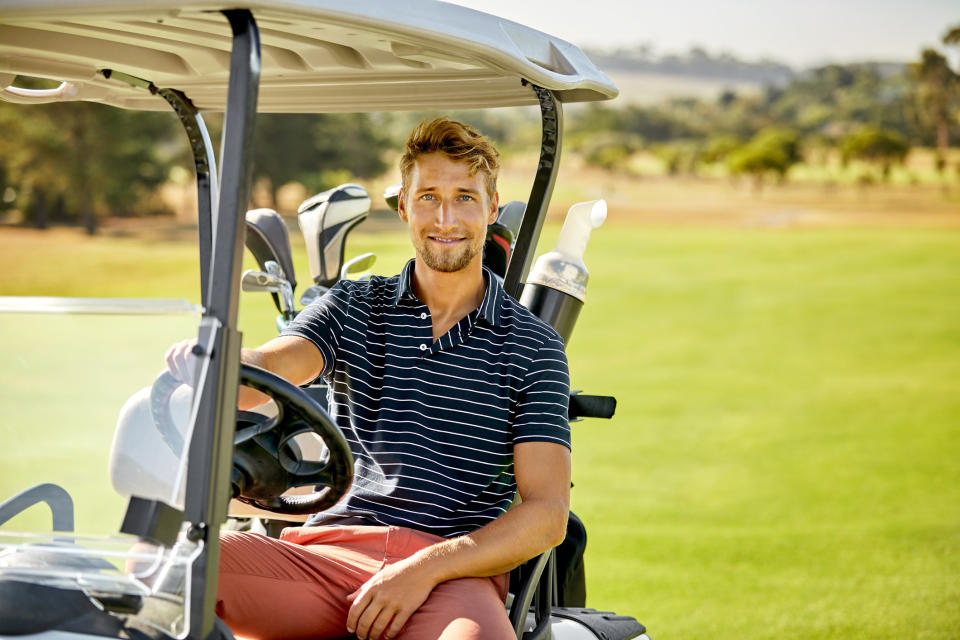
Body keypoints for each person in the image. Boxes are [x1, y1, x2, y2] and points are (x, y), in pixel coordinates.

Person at [166, 117, 571, 640]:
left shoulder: (532, 345)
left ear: (492, 211)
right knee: (167, 570)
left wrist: (423, 570)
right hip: (325, 558)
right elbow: (270, 368)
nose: (445, 217)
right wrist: (221, 360)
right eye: (428, 196)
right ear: (403, 206)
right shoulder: (354, 304)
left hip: (449, 575)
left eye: (465, 198)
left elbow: (546, 514)